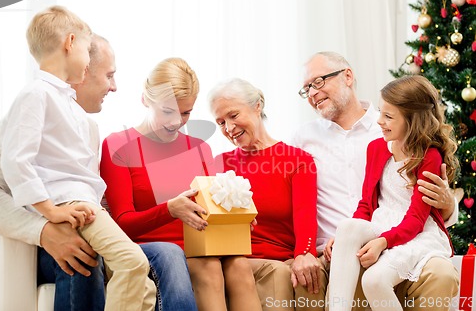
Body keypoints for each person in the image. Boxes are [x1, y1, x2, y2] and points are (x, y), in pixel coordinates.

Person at [0, 6, 155, 311]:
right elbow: (16, 161)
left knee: (145, 285)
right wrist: (50, 211)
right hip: (69, 203)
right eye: (86, 49)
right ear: (70, 42)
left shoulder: (68, 104)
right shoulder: (36, 94)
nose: (88, 58)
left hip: (88, 205)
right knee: (131, 261)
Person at [291, 51, 459, 311]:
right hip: (351, 242)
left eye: (319, 82)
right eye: (306, 88)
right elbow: (364, 201)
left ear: (347, 76)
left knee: (409, 275)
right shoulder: (304, 138)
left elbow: (424, 212)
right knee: (348, 229)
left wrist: (448, 203)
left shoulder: (392, 132)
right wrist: (310, 248)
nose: (312, 93)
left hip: (405, 235)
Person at [100, 58, 262, 311]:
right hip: (152, 250)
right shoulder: (118, 145)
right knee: (193, 263)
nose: (176, 122)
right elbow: (121, 225)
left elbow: (210, 213)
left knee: (238, 264)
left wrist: (234, 221)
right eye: (167, 111)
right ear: (145, 99)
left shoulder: (199, 149)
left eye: (186, 112)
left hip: (199, 248)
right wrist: (169, 210)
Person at [208, 78, 321, 311]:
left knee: (304, 276)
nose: (228, 128)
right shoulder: (220, 164)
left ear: (257, 106)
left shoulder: (298, 160)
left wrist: (305, 253)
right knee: (277, 273)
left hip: (284, 256)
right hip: (238, 262)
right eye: (220, 122)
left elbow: (305, 214)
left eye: (233, 115)